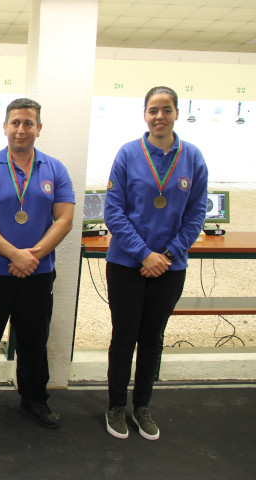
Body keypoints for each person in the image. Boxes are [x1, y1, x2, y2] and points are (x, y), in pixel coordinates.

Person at [0, 98, 74, 429]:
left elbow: (64, 219)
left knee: (34, 341)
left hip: (36, 273)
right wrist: (14, 254)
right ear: (5, 126)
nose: (22, 129)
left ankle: (34, 400)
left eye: (28, 123)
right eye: (16, 122)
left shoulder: (55, 169)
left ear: (39, 127)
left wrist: (31, 256)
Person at [104, 86, 208, 441]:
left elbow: (196, 215)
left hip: (170, 267)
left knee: (152, 338)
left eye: (166, 109)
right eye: (153, 110)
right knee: (124, 338)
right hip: (126, 263)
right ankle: (116, 406)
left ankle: (142, 406)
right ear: (144, 115)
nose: (159, 116)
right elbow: (113, 212)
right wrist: (144, 254)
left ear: (177, 113)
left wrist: (166, 256)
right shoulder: (128, 154)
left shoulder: (193, 158)